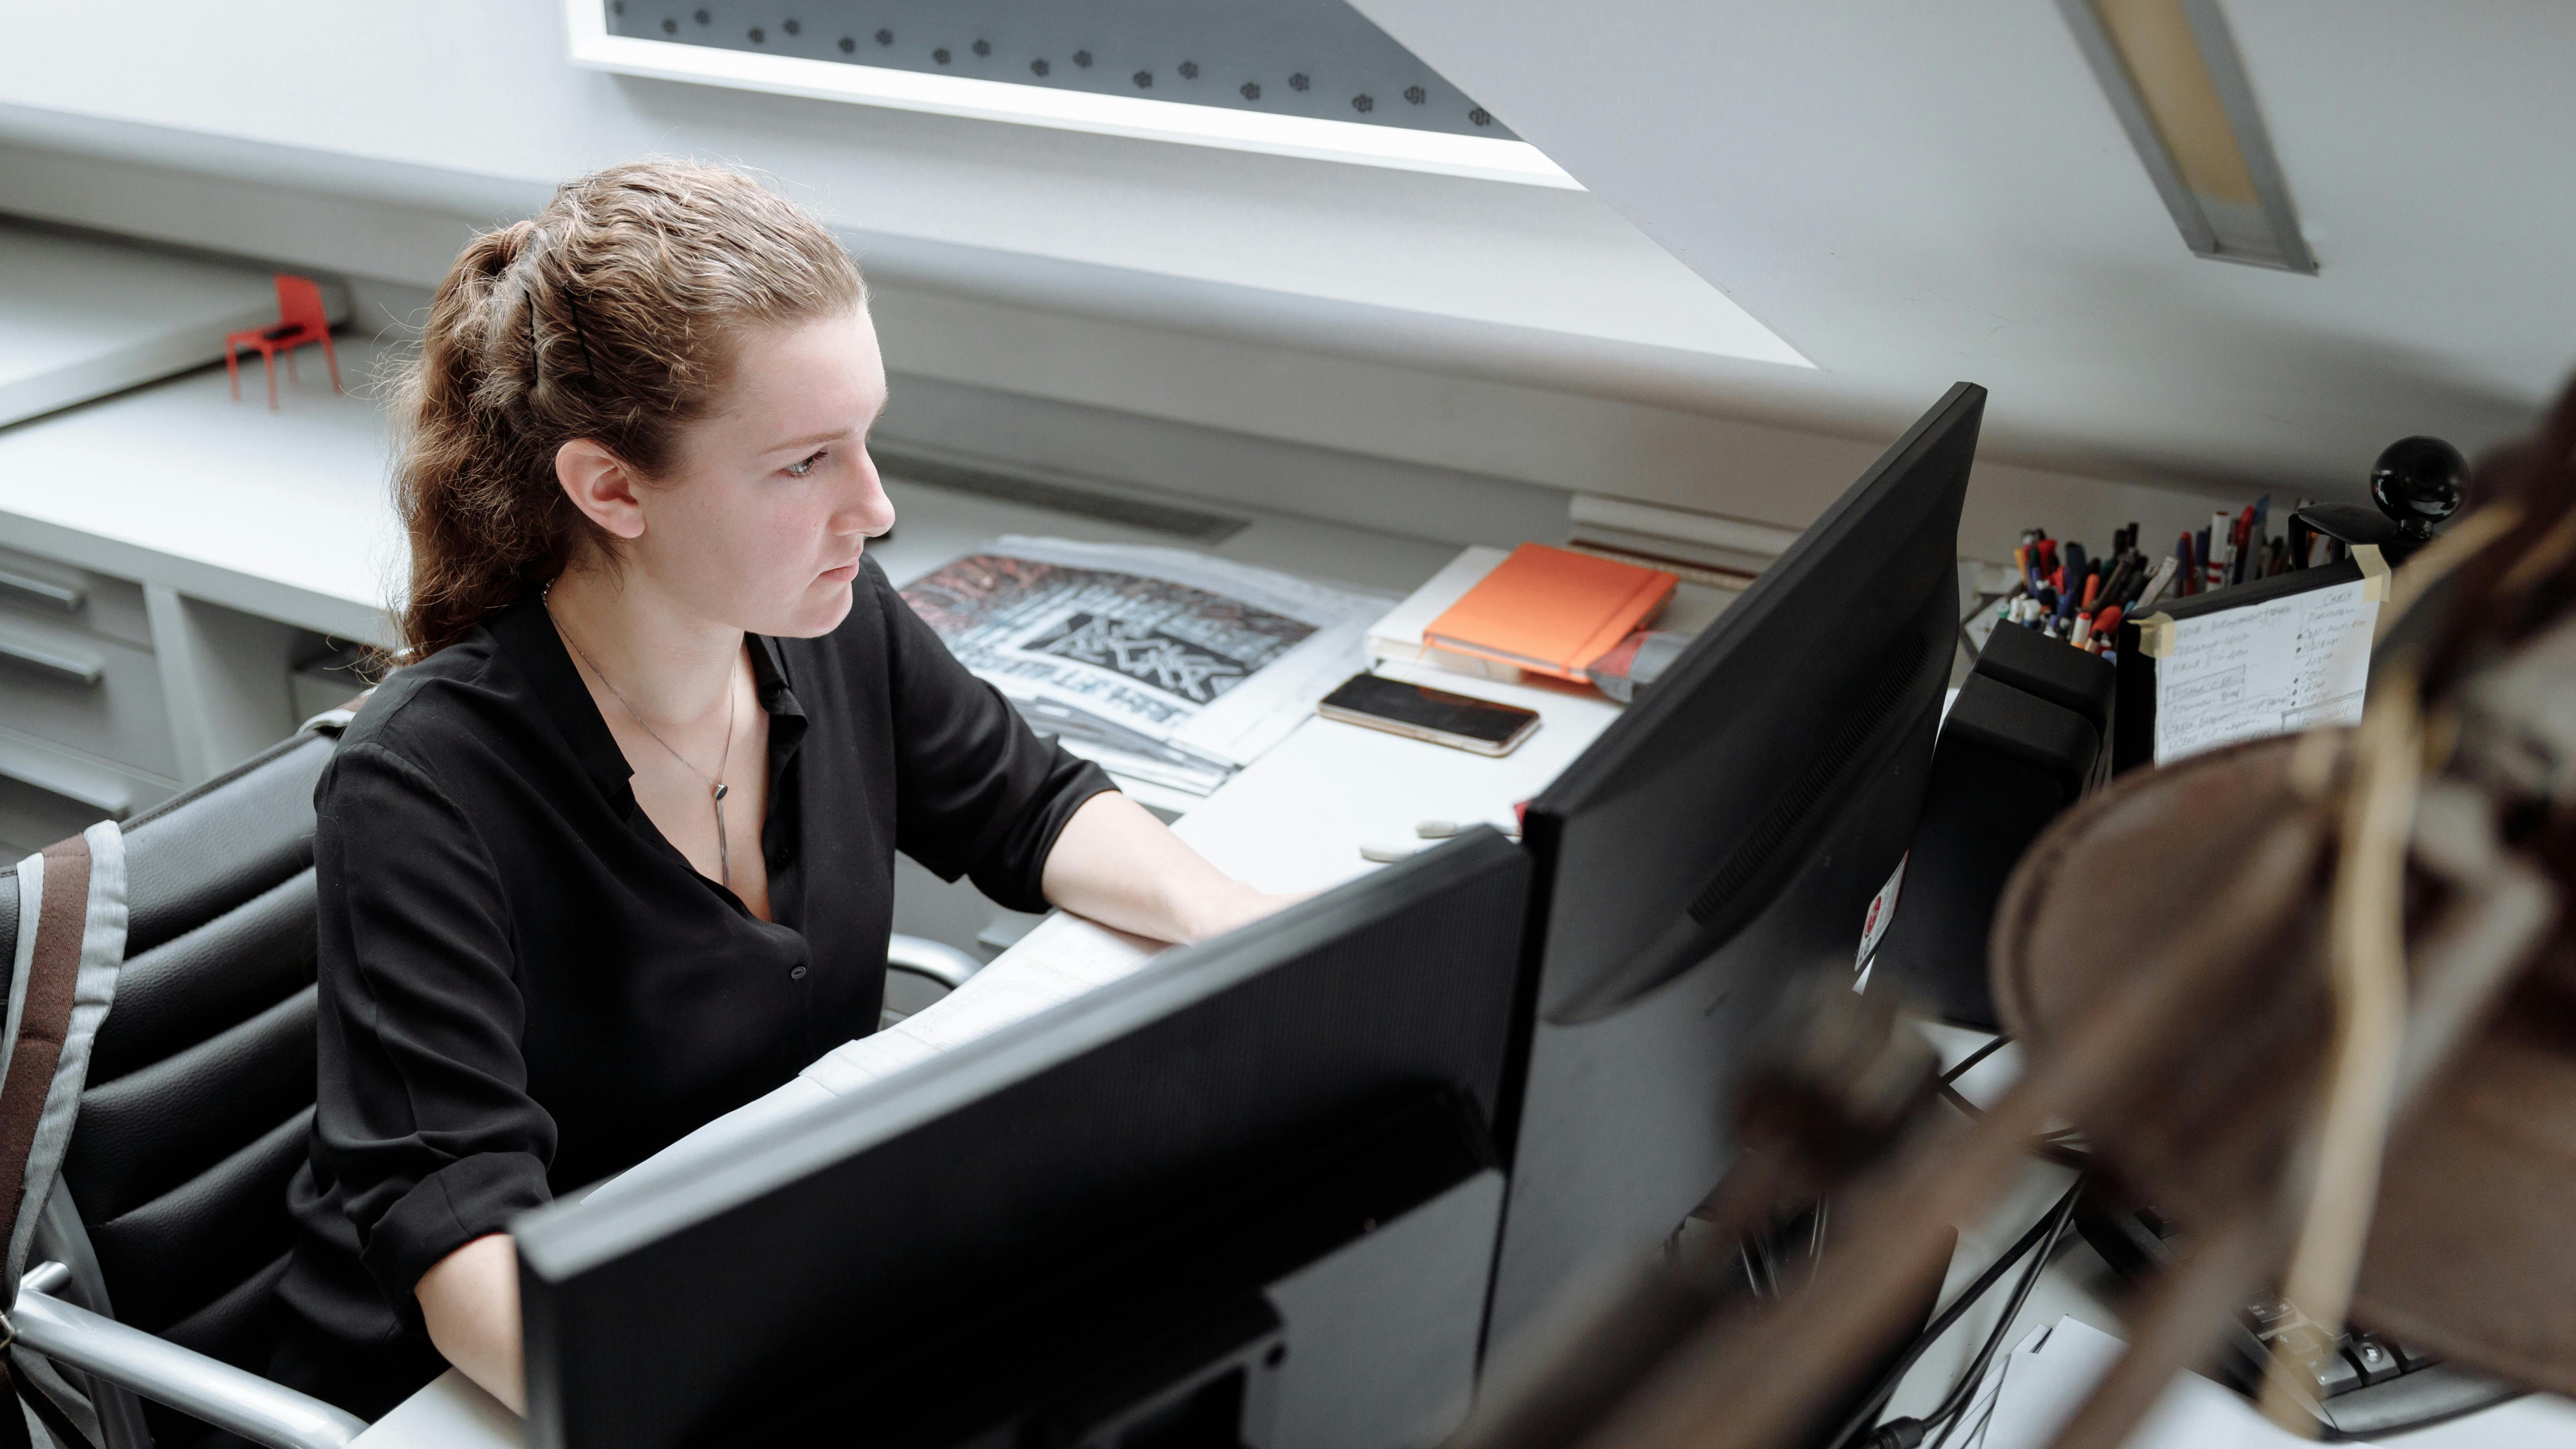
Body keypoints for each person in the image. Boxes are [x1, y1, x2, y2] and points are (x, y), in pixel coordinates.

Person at [267, 160, 1296, 1421]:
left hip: (751, 1275)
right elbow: (461, 1246)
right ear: (612, 488)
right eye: (806, 462)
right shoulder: (422, 785)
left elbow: (1032, 808)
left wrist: (1253, 931)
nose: (875, 507)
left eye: (865, 440)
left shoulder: (832, 623)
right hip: (484, 1387)